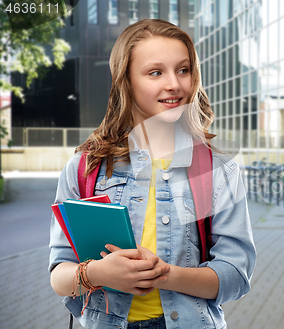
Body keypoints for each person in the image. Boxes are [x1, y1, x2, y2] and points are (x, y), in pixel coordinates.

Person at [48, 19, 256, 329]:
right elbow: (59, 276)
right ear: (126, 80)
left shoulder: (217, 171)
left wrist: (165, 274)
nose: (174, 84)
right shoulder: (84, 167)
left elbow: (236, 276)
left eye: (183, 70)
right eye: (155, 72)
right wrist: (97, 273)